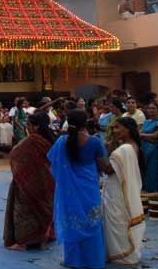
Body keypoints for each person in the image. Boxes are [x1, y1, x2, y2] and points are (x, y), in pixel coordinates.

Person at [47, 109, 107, 269]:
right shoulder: (94, 142)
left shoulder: (62, 142)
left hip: (69, 191)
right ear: (86, 122)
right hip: (89, 188)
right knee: (92, 221)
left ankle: (73, 260)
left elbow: (53, 162)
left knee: (72, 221)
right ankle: (93, 260)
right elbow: (104, 167)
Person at [4, 112, 55, 250]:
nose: (27, 127)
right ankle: (43, 239)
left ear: (36, 127)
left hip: (28, 181)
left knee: (24, 211)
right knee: (44, 210)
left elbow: (15, 154)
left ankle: (24, 243)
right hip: (47, 181)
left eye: (28, 125)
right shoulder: (50, 139)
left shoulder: (32, 141)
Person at [103, 117, 146, 265]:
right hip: (122, 189)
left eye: (117, 127)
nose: (114, 131)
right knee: (120, 219)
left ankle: (120, 253)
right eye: (113, 128)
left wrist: (97, 159)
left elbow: (108, 170)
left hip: (118, 191)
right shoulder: (131, 145)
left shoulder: (125, 148)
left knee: (118, 220)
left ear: (128, 129)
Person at [140, 104, 158, 192]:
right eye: (149, 108)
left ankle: (155, 191)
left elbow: (155, 135)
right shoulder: (146, 121)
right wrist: (148, 137)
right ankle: (147, 190)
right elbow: (139, 134)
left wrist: (143, 135)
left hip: (154, 148)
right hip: (144, 147)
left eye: (153, 108)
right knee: (145, 170)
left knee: (153, 170)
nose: (151, 110)